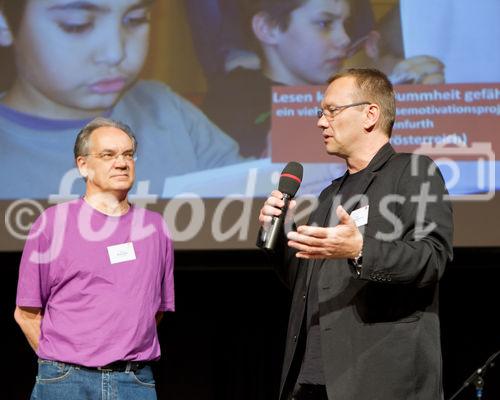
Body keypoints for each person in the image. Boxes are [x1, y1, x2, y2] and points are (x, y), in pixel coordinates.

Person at [257, 68, 453, 399]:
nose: (321, 122)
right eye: (320, 113)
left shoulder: (413, 172)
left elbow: (432, 258)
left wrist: (361, 249)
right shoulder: (330, 195)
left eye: (331, 111)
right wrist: (280, 233)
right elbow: (308, 282)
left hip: (380, 378)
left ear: (370, 114)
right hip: (314, 379)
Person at [0, 0, 243, 199]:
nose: (116, 52)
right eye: (77, 26)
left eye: (135, 19)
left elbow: (250, 199)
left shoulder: (165, 110)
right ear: (4, 23)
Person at [14, 118, 174, 400]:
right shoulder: (52, 224)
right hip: (65, 381)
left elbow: (152, 312)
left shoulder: (155, 228)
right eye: (108, 155)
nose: (122, 163)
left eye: (127, 154)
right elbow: (26, 313)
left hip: (134, 382)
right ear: (83, 165)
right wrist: (62, 362)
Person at [201, 0, 445, 158]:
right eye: (324, 23)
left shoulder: (348, 92)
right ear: (268, 28)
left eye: (345, 24)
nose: (344, 39)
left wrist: (417, 103)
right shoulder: (232, 102)